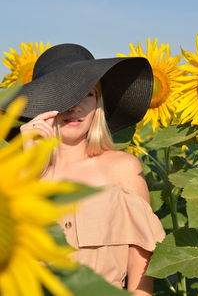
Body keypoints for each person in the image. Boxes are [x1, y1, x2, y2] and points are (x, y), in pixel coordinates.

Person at [5, 44, 165, 296]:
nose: (74, 107)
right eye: (61, 97)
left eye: (87, 94)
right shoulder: (14, 175)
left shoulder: (122, 169)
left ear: (99, 103)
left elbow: (142, 264)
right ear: (40, 106)